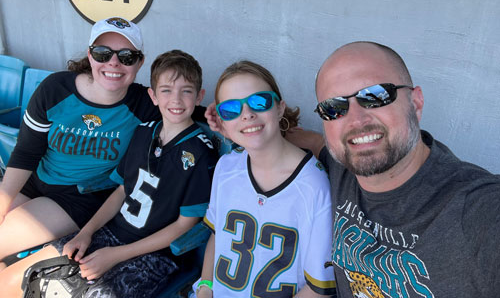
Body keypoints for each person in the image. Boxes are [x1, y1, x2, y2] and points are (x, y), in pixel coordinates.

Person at [0, 49, 218, 297]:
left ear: (199, 96)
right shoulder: (144, 132)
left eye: (186, 91)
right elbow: (122, 190)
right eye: (166, 90)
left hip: (155, 256)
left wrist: (115, 255)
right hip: (108, 233)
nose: (176, 100)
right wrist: (86, 233)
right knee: (11, 283)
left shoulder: (200, 153)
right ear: (153, 97)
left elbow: (184, 225)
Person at [289, 41, 500, 297]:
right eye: (334, 108)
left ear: (416, 103)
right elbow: (313, 141)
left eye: (376, 96)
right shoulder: (342, 164)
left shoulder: (478, 211)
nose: (356, 121)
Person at [0, 17, 163, 269]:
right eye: (102, 53)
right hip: (35, 180)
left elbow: (184, 108)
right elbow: (26, 153)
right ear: (90, 56)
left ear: (140, 62)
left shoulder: (144, 104)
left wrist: (217, 117)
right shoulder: (56, 89)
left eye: (127, 56)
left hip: (79, 197)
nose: (114, 62)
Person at [197, 61, 336, 298]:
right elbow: (217, 235)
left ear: (280, 108)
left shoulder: (315, 186)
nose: (247, 115)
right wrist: (205, 288)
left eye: (259, 102)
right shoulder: (226, 166)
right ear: (221, 121)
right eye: (231, 109)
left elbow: (318, 289)